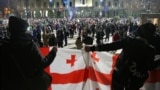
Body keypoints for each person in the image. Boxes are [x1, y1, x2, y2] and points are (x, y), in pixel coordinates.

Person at [85, 22, 158, 90]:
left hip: (120, 75)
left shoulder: (130, 41)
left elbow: (112, 46)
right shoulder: (151, 49)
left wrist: (92, 48)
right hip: (136, 80)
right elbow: (150, 66)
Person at [0, 16, 58, 90]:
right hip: (29, 85)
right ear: (22, 30)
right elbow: (42, 63)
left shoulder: (4, 46)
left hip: (10, 86)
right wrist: (53, 53)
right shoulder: (29, 45)